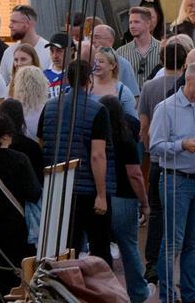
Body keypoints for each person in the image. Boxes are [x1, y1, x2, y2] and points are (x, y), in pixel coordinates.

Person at [147, 65, 195, 303]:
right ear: (188, 81)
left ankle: (189, 293)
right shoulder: (166, 108)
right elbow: (154, 146)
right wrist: (181, 145)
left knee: (194, 242)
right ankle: (167, 296)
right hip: (176, 180)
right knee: (173, 243)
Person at [37, 56, 114, 257]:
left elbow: (41, 143)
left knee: (64, 251)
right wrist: (101, 194)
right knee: (99, 250)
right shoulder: (98, 110)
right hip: (87, 188)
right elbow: (97, 155)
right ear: (89, 80)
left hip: (58, 186)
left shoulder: (50, 106)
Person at [90, 56, 147, 303]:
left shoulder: (95, 137)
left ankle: (104, 294)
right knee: (129, 248)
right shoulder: (127, 138)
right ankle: (138, 293)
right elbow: (135, 173)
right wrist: (144, 201)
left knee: (98, 249)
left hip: (100, 196)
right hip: (124, 197)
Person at [0, 6, 53, 80]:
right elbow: (1, 85)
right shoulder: (8, 52)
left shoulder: (49, 51)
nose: (10, 26)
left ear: (27, 23)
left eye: (14, 22)